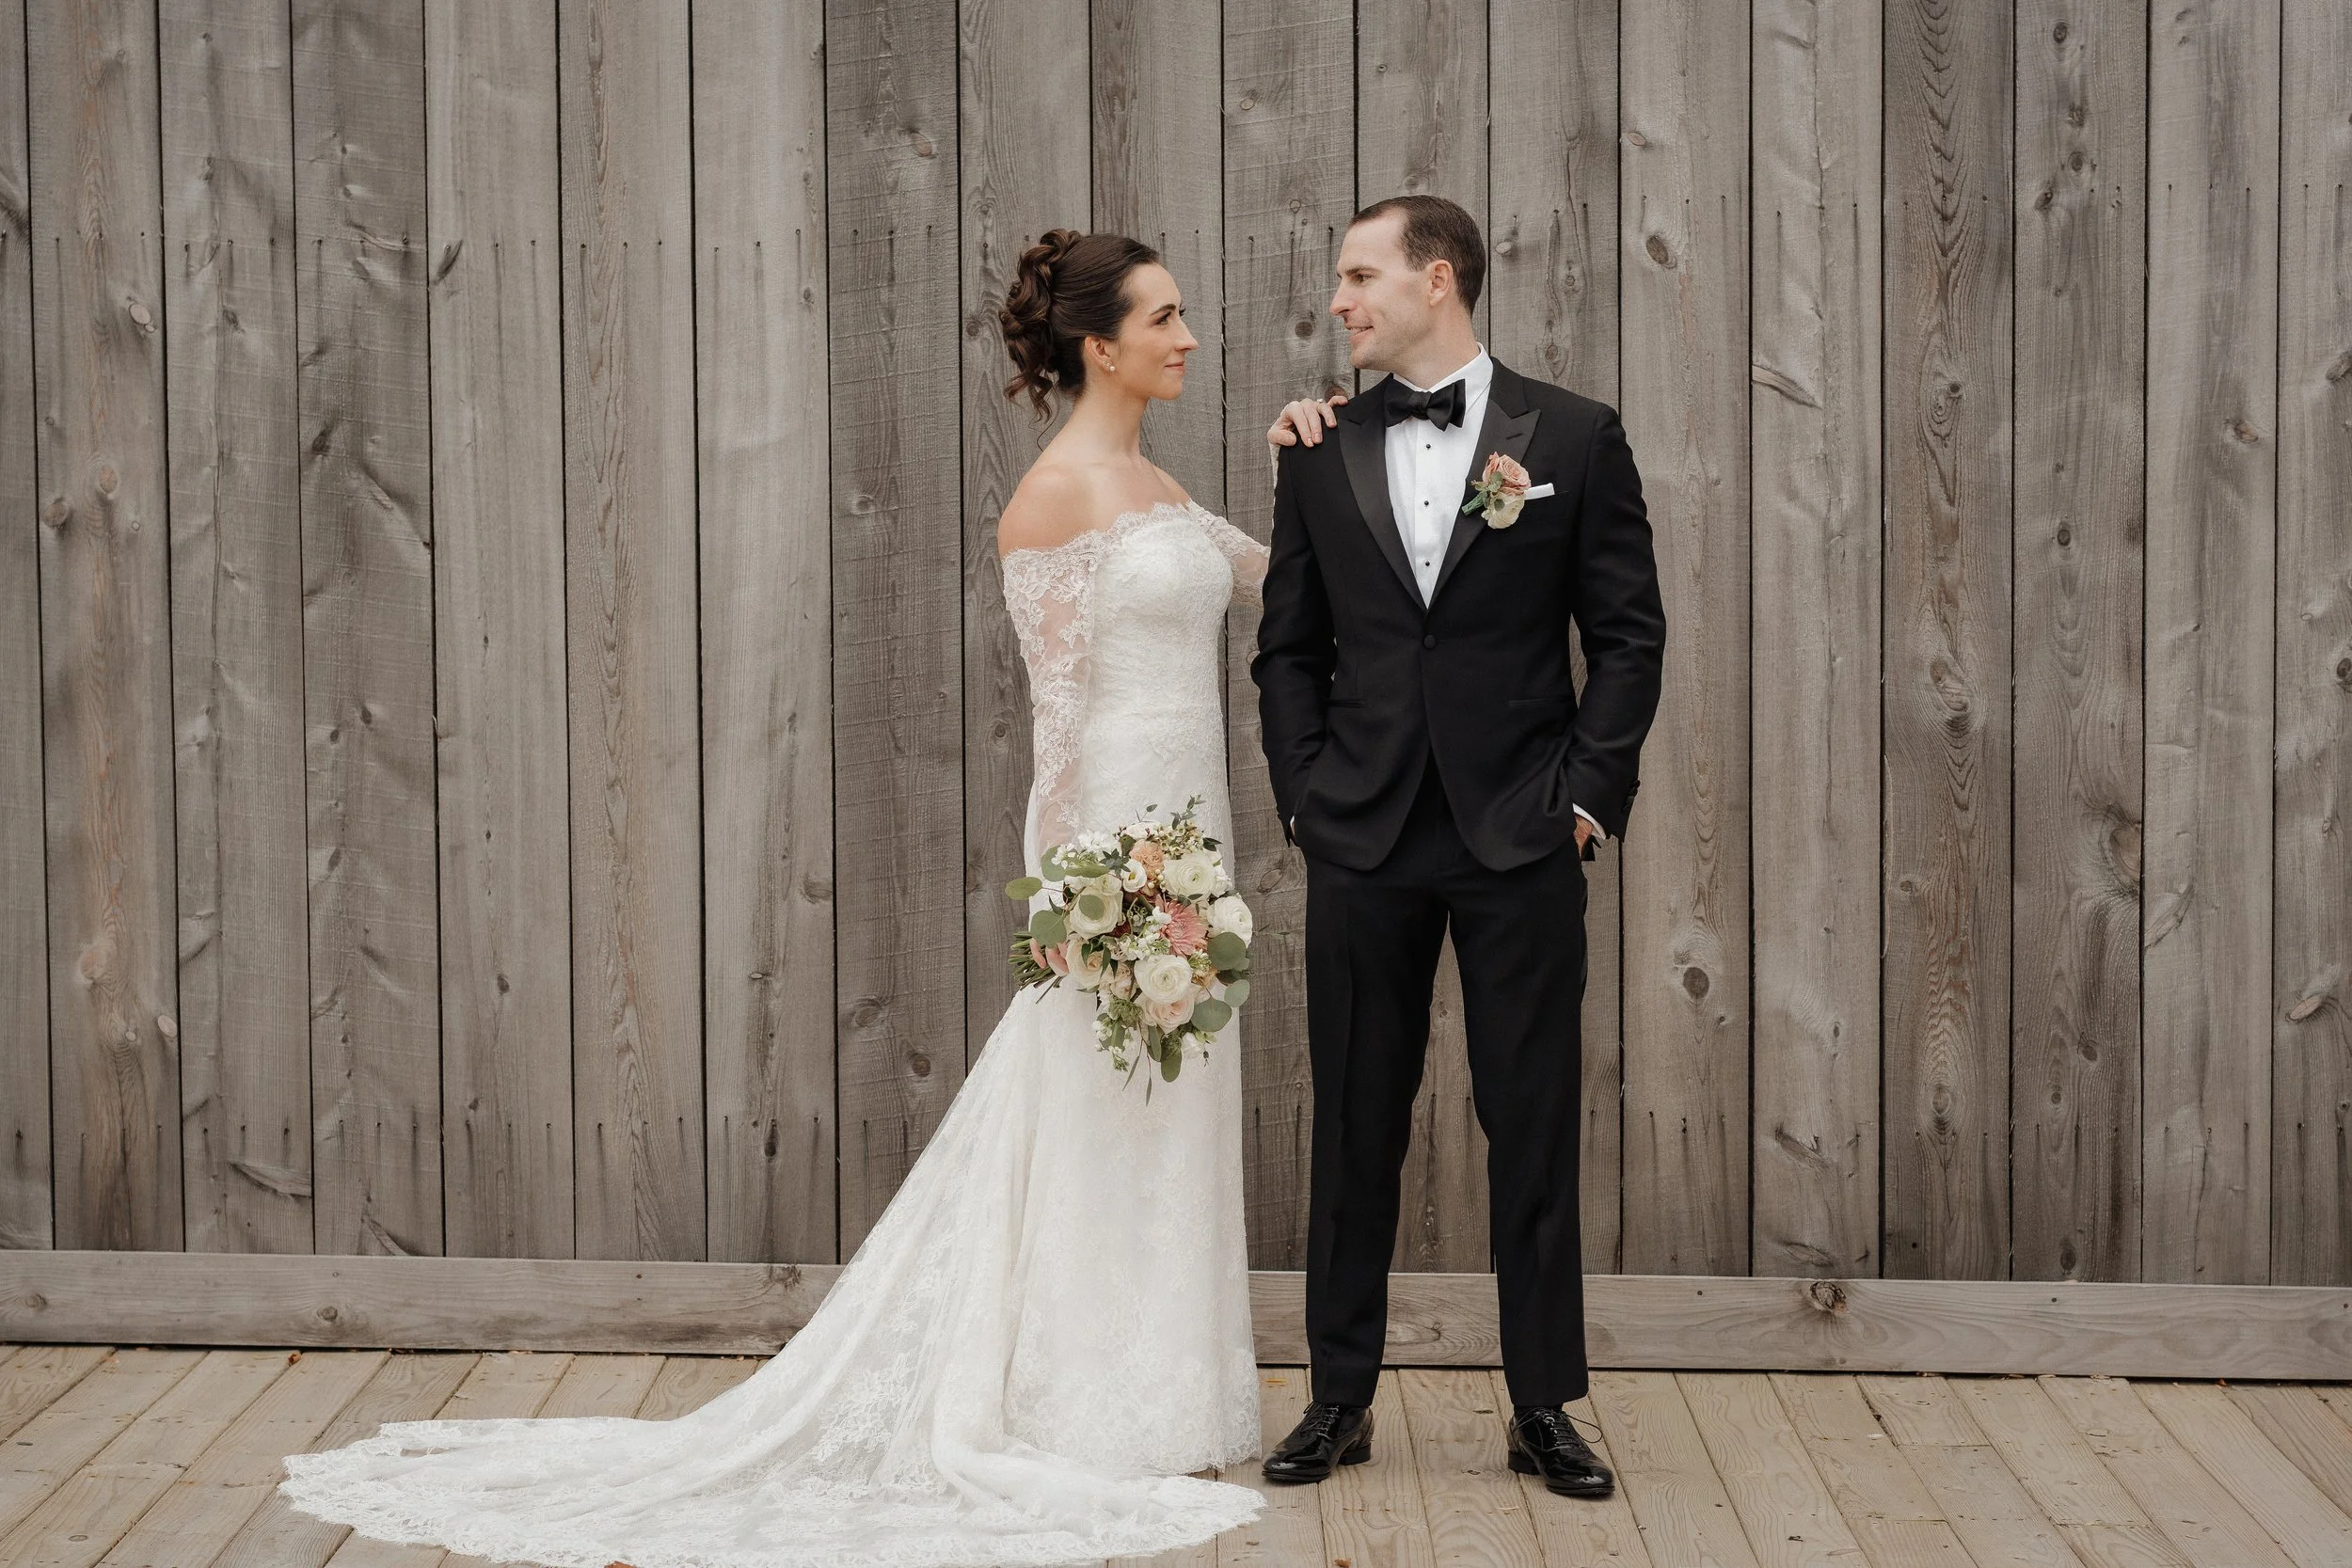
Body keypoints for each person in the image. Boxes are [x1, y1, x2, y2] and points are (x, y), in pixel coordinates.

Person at [274, 229, 1272, 1568]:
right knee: (1093, 1096)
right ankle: (1070, 1400)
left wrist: (1316, 457)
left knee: (1174, 1098)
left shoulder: (1156, 477)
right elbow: (1059, 716)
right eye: (1166, 315)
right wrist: (1073, 892)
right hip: (1118, 847)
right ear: (1103, 344)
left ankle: (1171, 1391)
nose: (1189, 334)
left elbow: (1275, 571)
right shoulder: (1050, 495)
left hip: (1193, 829)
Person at [1251, 194, 1666, 1497]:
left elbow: (1630, 637)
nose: (1340, 301)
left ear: (1440, 280)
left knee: (1530, 1121)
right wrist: (1308, 800)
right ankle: (1338, 1396)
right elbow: (1288, 650)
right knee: (1355, 1124)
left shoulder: (1578, 437)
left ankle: (1543, 1403)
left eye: (1360, 275)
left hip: (1519, 836)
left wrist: (1586, 798)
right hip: (1363, 834)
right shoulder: (1317, 447)